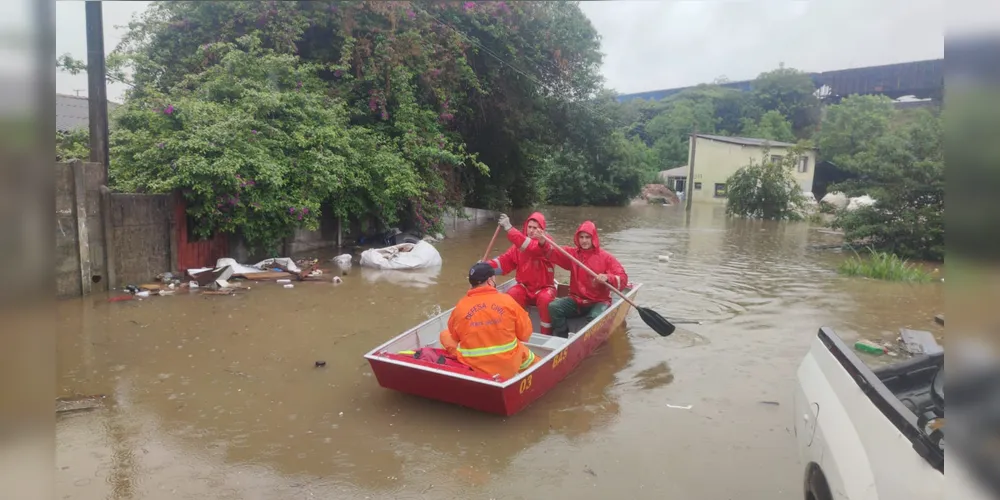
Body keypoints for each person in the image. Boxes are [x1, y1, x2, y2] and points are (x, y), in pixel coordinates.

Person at [438, 262, 539, 379]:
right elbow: (525, 335)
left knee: (444, 335)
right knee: (522, 350)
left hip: (474, 367)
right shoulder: (508, 301)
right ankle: (538, 370)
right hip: (508, 368)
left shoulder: (461, 306)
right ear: (490, 280)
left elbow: (455, 336)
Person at [545, 221, 629, 338]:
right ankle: (562, 337)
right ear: (577, 238)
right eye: (581, 237)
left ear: (593, 238)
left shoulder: (606, 257)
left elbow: (623, 278)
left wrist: (607, 277)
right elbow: (551, 251)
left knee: (594, 318)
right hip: (577, 300)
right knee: (554, 307)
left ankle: (587, 340)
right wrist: (541, 240)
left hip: (599, 301)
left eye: (587, 237)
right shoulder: (572, 254)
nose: (584, 241)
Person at [487, 212, 558, 334]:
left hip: (544, 288)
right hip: (524, 287)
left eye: (535, 228)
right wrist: (486, 266)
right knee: (511, 296)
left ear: (542, 229)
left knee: (546, 300)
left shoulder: (546, 243)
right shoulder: (519, 246)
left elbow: (531, 248)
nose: (531, 230)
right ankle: (510, 333)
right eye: (529, 227)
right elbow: (505, 262)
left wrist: (509, 228)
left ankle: (545, 335)